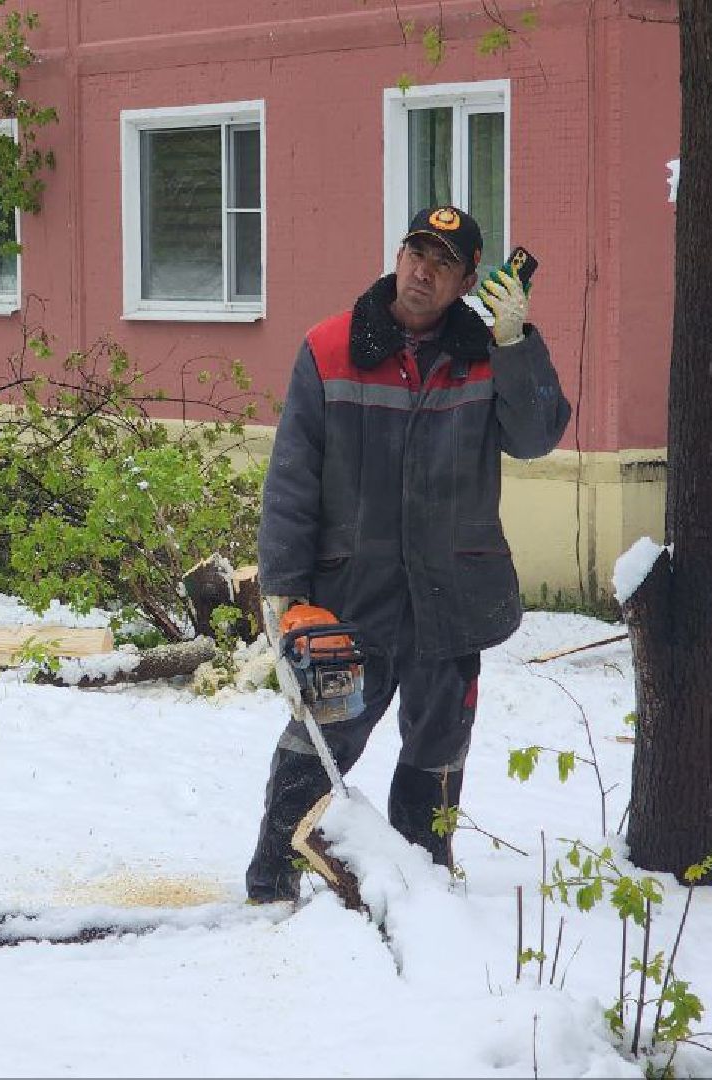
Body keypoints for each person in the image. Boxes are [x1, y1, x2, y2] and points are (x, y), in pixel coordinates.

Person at [247, 205, 572, 903]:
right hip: (348, 599)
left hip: (452, 598)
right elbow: (292, 476)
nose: (422, 270)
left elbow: (537, 436)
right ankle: (271, 878)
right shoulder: (329, 347)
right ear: (397, 255)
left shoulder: (487, 356)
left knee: (437, 751)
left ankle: (421, 881)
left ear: (464, 283)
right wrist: (281, 587)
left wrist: (516, 343)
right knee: (319, 740)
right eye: (414, 252)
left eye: (443, 263)